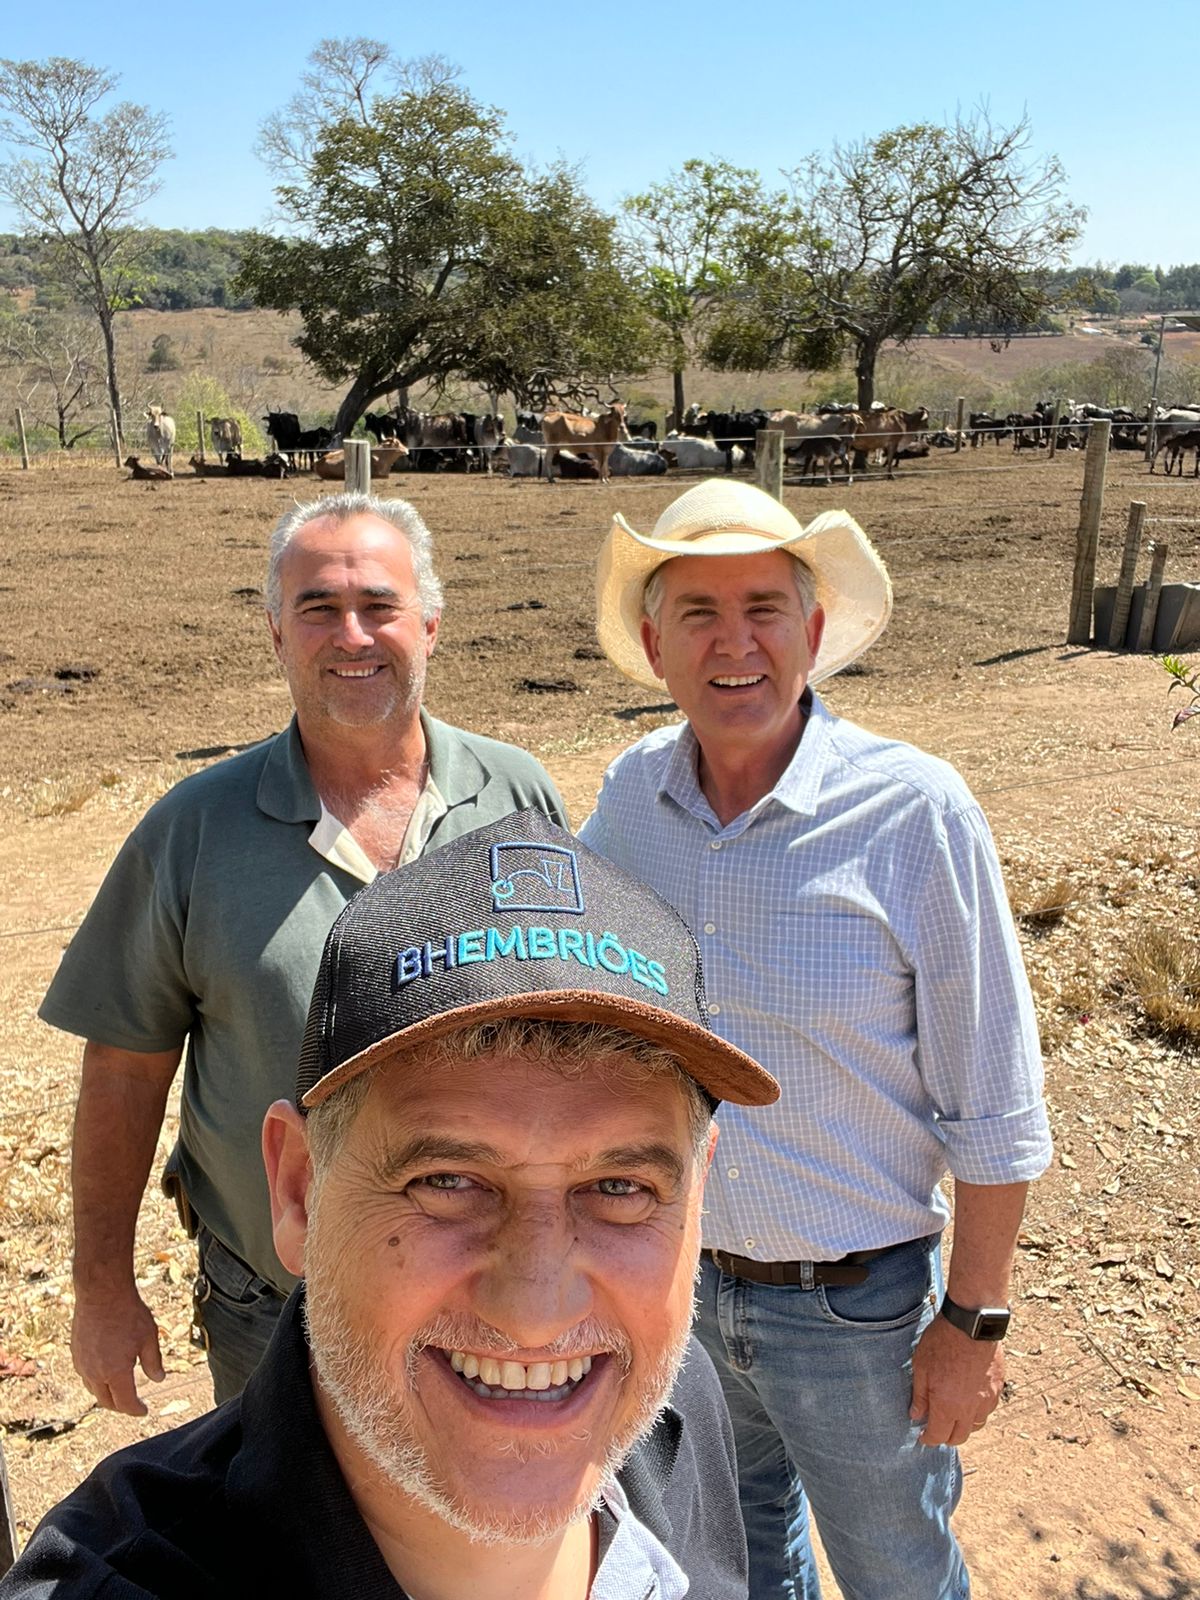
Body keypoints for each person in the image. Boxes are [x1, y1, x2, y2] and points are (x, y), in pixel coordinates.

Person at [4, 811, 780, 1600]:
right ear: (299, 1191)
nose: (537, 1310)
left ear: (698, 1195)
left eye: (620, 1189)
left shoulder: (672, 1413)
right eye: (447, 1182)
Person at [579, 480, 1053, 1600]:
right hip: (681, 1295)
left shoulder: (913, 811)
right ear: (653, 643)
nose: (732, 642)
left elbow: (995, 1092)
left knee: (896, 1576)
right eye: (696, 611)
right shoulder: (631, 800)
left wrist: (973, 1320)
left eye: (762, 608)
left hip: (861, 1311)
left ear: (815, 631)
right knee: (732, 1564)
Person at [39, 492, 568, 1414]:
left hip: (491, 1292)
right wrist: (103, 1291)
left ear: (431, 625)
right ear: (277, 635)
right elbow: (124, 1071)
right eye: (318, 608)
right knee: (287, 1549)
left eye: (380, 606)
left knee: (473, 1542)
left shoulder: (518, 797)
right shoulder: (195, 830)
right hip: (272, 1305)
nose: (352, 635)